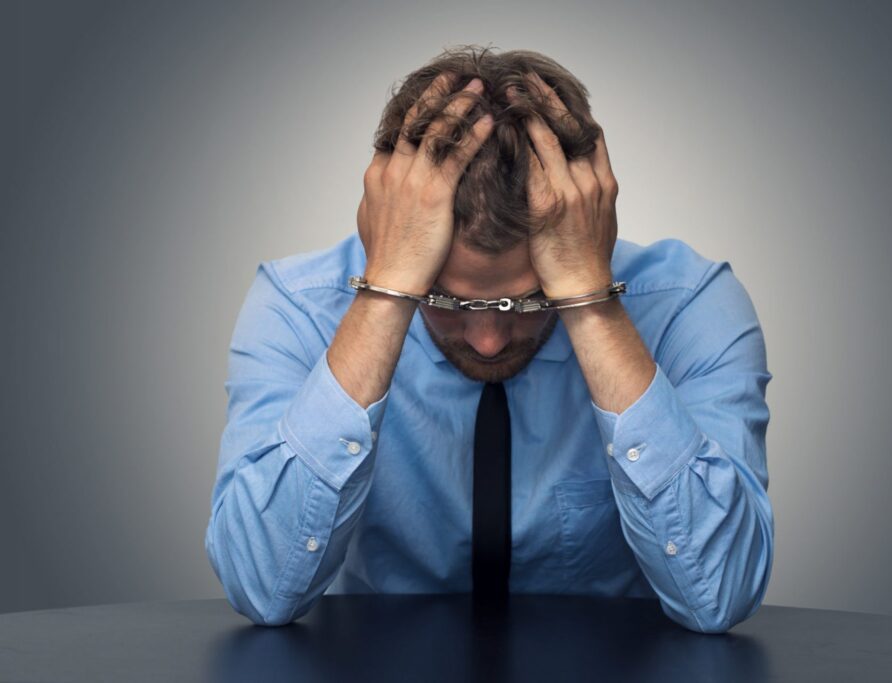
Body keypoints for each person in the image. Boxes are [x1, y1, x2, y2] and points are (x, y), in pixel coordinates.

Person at [204, 46, 774, 634]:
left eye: (529, 301)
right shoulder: (300, 307)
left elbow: (720, 595)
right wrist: (389, 291)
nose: (487, 340)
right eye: (448, 301)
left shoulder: (688, 305)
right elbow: (261, 587)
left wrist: (587, 300)